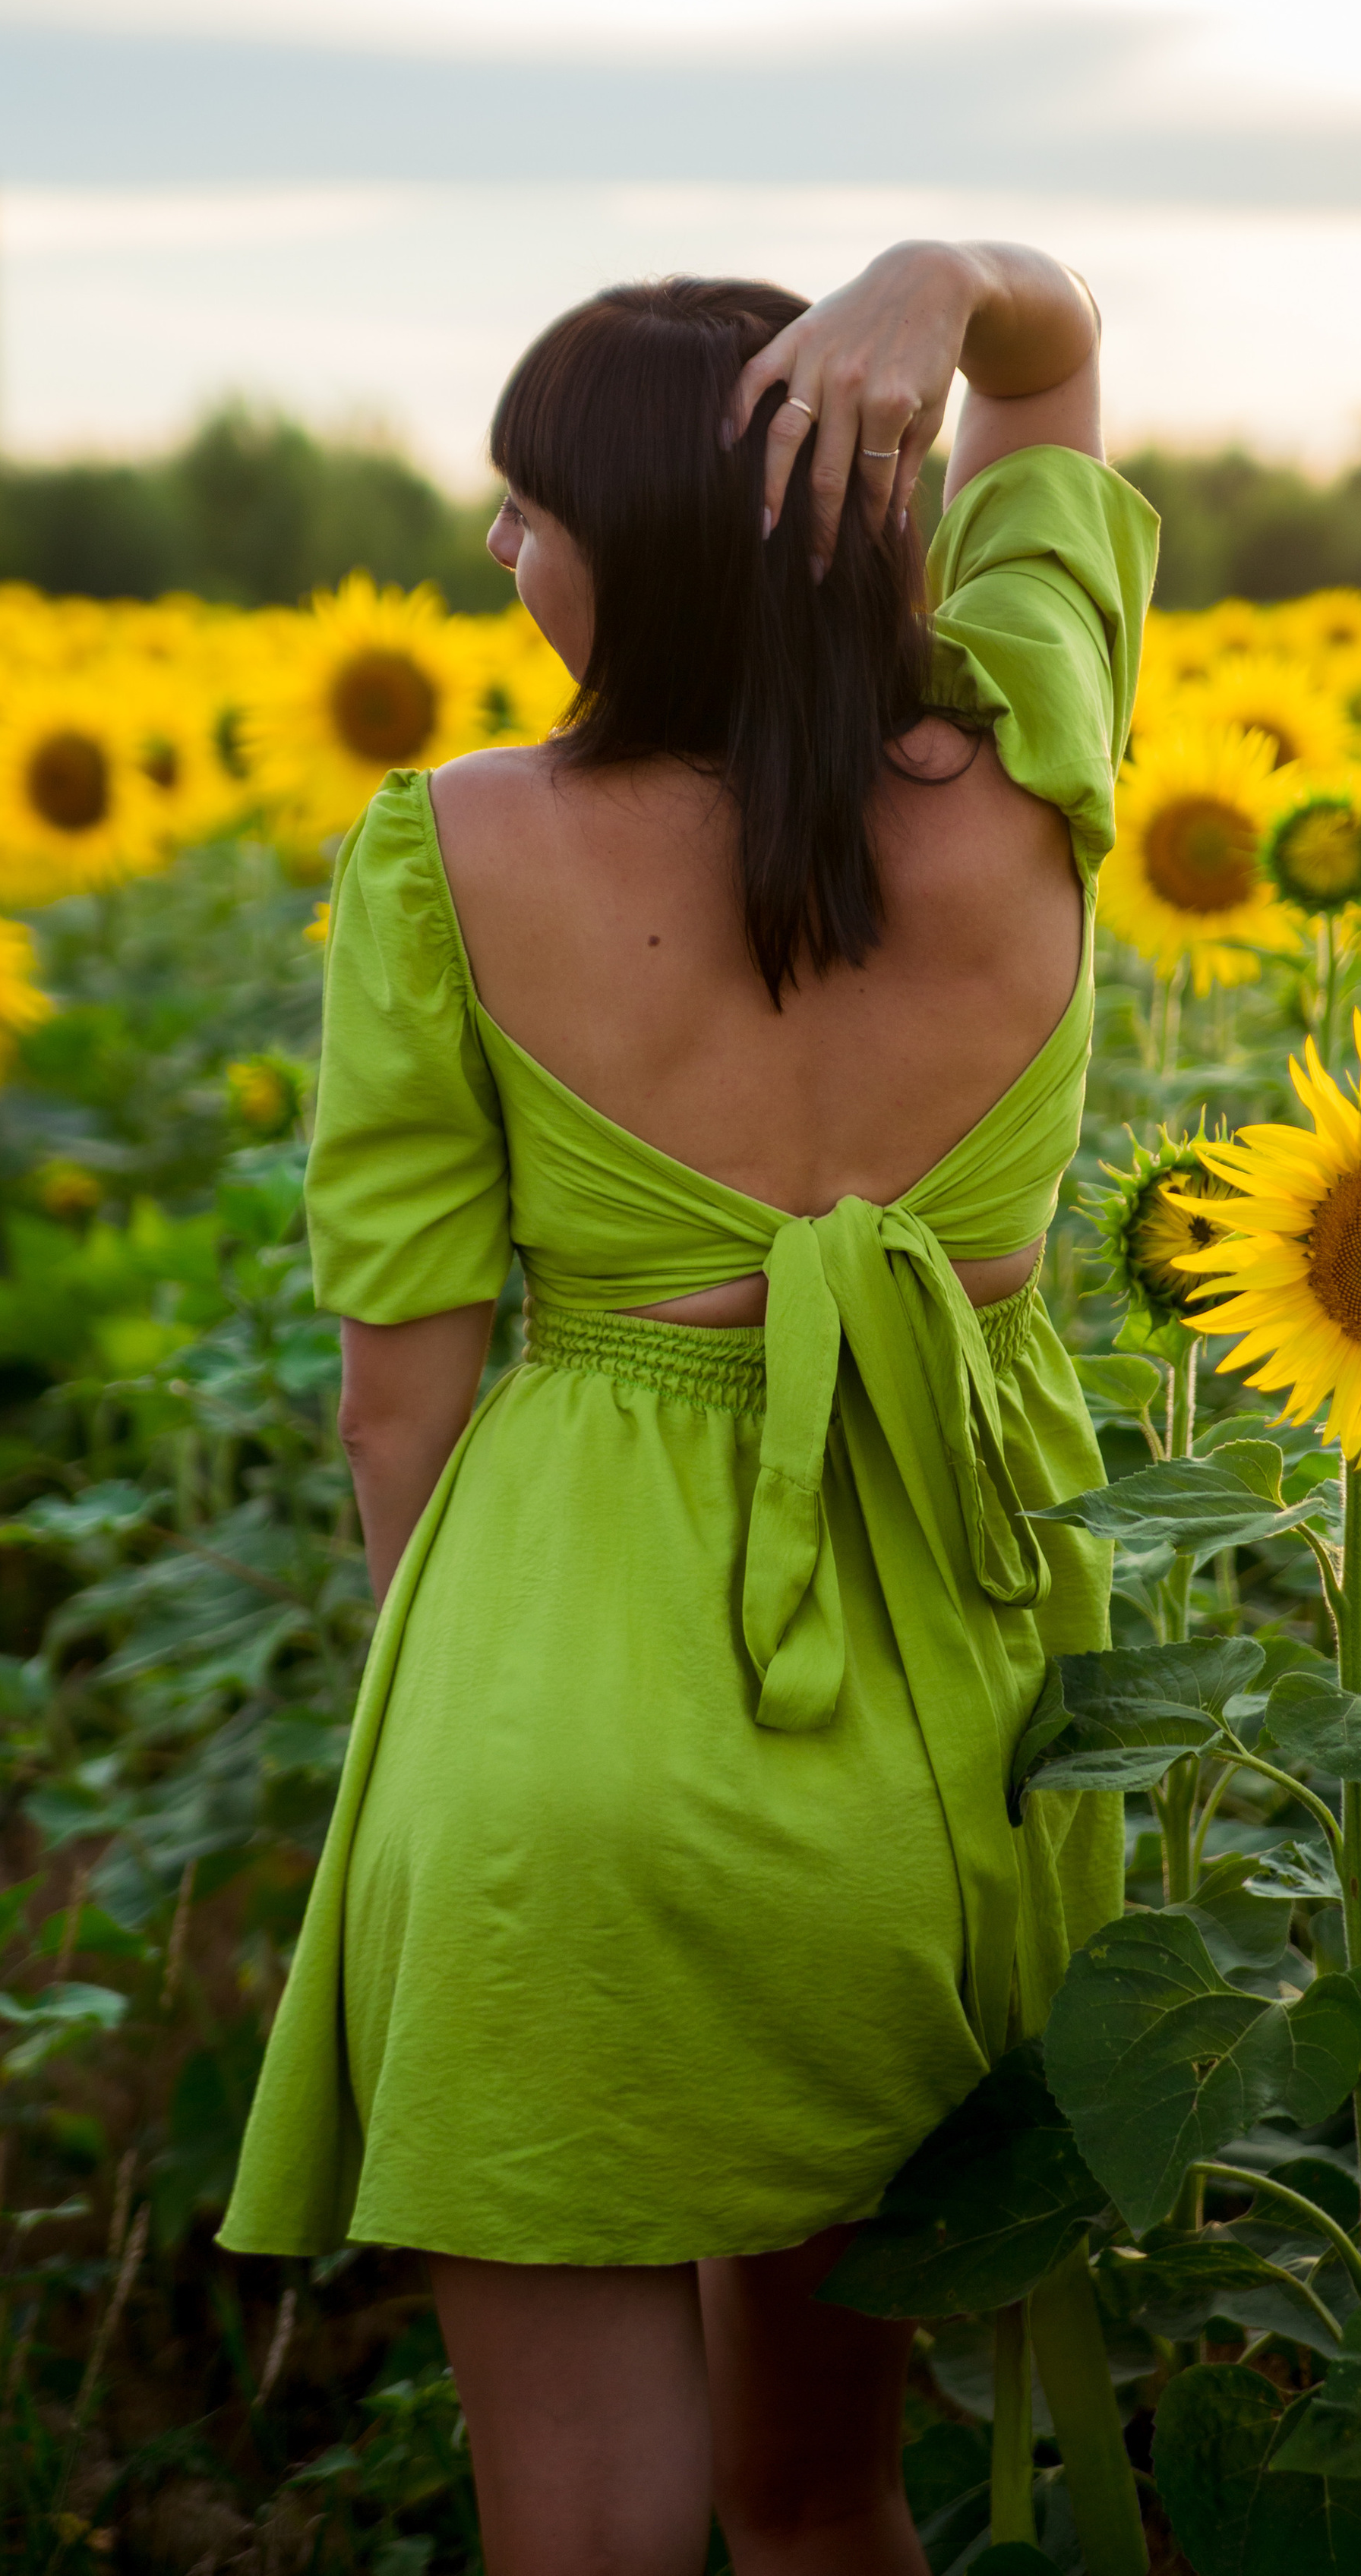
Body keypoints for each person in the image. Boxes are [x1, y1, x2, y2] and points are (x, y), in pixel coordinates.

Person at [221, 240, 1158, 2574]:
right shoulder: (1042, 751)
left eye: (524, 510)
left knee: (593, 2535)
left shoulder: (454, 847)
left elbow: (397, 1405)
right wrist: (948, 288)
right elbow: (1053, 389)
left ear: (628, 552)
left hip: (564, 1726)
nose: (499, 552)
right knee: (829, 2507)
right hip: (953, 1740)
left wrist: (467, 1715)